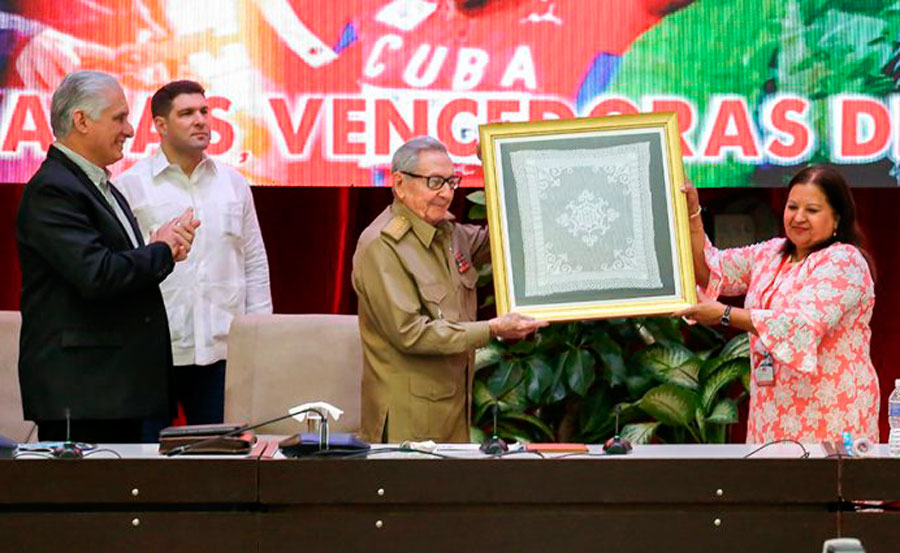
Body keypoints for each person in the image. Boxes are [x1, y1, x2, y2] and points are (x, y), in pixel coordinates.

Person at [16, 70, 199, 443]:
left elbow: (110, 267)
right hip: (84, 396)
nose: (130, 130)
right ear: (81, 121)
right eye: (119, 118)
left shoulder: (98, 186)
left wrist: (157, 250)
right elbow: (97, 275)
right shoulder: (54, 189)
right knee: (86, 501)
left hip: (110, 392)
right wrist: (160, 249)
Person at [352, 136, 547, 443]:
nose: (446, 194)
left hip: (453, 412)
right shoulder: (381, 246)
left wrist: (498, 166)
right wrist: (493, 328)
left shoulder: (448, 233)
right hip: (409, 421)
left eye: (451, 182)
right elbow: (410, 333)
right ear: (400, 184)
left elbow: (509, 234)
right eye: (434, 182)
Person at [674, 166, 879, 444]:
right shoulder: (771, 253)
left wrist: (724, 314)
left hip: (831, 418)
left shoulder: (845, 261)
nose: (798, 217)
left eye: (812, 210)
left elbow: (800, 326)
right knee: (770, 485)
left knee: (824, 487)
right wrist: (692, 214)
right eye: (792, 206)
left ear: (837, 219)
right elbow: (709, 270)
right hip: (771, 414)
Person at [118, 80, 272, 427]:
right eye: (187, 113)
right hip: (154, 350)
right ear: (160, 125)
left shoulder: (233, 183)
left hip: (223, 352)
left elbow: (254, 261)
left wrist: (261, 332)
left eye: (204, 111)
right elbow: (123, 268)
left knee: (221, 462)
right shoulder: (131, 185)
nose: (201, 120)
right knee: (145, 462)